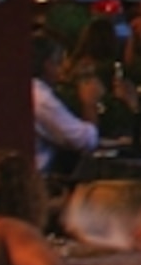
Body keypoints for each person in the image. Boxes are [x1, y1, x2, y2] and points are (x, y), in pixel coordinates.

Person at [31, 36, 101, 175]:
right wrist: (89, 102)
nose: (64, 68)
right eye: (59, 62)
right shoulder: (41, 97)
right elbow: (84, 140)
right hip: (42, 180)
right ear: (48, 65)